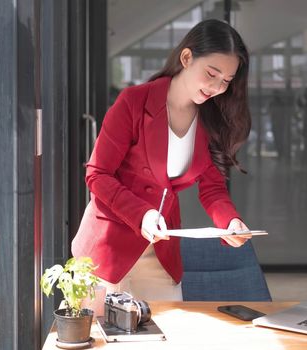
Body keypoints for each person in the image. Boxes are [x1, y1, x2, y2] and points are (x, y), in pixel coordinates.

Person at [71, 19, 252, 301]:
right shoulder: (134, 101)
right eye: (211, 73)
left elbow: (213, 187)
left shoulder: (212, 120)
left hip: (160, 250)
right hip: (108, 246)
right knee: (103, 340)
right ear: (187, 57)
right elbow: (97, 174)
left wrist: (230, 221)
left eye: (226, 81)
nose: (217, 87)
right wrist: (141, 213)